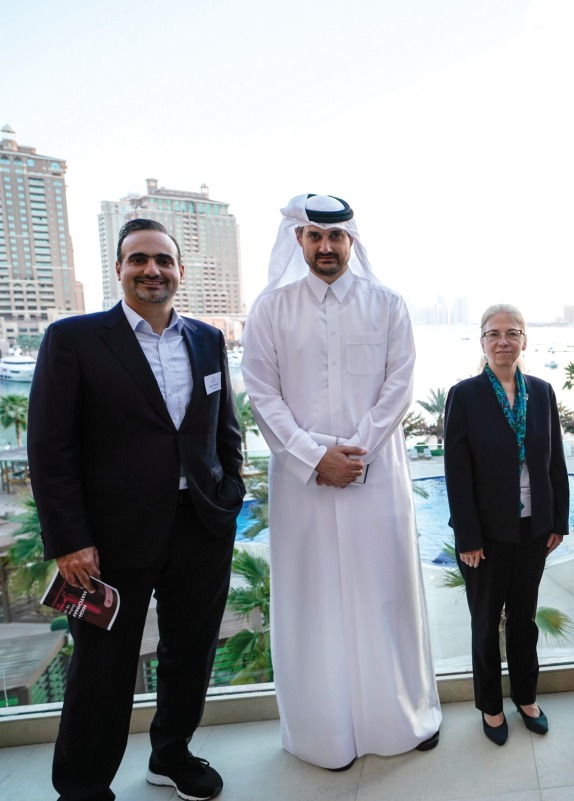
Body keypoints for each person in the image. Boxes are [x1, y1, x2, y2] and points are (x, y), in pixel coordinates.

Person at [29, 218, 245, 801]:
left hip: (200, 524)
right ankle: (81, 787)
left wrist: (230, 492)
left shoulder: (206, 339)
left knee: (191, 651)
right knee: (102, 667)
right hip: (108, 541)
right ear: (119, 268)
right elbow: (50, 449)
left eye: (163, 261)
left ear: (179, 270)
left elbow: (224, 427)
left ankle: (171, 755)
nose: (152, 270)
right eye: (138, 260)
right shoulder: (73, 339)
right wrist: (68, 540)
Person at [241, 194, 441, 770]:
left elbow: (399, 388)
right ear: (298, 241)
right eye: (313, 237)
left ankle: (401, 717)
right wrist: (313, 457)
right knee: (313, 603)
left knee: (385, 595)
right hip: (302, 485)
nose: (325, 247)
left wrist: (354, 455)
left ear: (351, 241)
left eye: (336, 237)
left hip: (375, 479)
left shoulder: (388, 305)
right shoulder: (271, 309)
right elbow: (262, 394)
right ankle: (323, 733)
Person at [444, 304, 570, 746]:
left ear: (524, 341)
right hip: (486, 536)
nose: (503, 341)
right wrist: (468, 537)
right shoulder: (465, 395)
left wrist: (558, 520)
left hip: (533, 530)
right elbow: (456, 473)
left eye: (512, 333)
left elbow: (555, 461)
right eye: (494, 333)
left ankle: (526, 697)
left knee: (524, 620)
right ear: (482, 341)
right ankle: (491, 706)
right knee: (484, 624)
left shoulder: (542, 391)